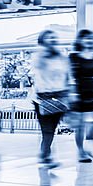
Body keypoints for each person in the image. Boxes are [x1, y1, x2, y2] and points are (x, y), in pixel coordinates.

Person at [30, 30, 70, 168]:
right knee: (47, 131)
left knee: (52, 130)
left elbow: (66, 75)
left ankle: (45, 155)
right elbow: (39, 71)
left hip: (59, 97)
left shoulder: (61, 56)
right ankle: (45, 157)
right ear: (42, 41)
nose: (52, 39)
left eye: (54, 37)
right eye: (48, 38)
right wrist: (44, 51)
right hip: (43, 98)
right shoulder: (39, 56)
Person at [69, 28, 93, 163]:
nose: (89, 40)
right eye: (86, 38)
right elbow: (71, 76)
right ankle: (81, 151)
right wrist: (73, 94)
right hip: (79, 93)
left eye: (91, 38)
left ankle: (90, 147)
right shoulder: (74, 56)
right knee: (80, 125)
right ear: (80, 40)